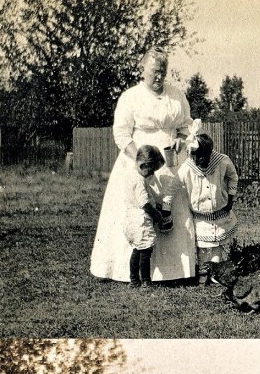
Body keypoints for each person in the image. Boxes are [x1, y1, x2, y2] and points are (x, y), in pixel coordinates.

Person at [90, 47, 196, 283]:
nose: (159, 77)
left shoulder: (177, 95)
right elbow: (121, 133)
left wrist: (180, 139)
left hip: (170, 162)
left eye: (163, 72)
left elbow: (185, 126)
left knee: (172, 207)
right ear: (143, 70)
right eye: (155, 72)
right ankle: (127, 271)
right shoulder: (131, 97)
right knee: (138, 210)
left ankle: (175, 272)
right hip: (138, 163)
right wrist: (138, 159)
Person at [178, 126, 239, 285]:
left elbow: (233, 177)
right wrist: (165, 204)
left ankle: (216, 273)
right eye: (198, 157)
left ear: (210, 152)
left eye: (205, 156)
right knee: (203, 246)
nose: (202, 160)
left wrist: (231, 198)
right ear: (192, 155)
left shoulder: (222, 161)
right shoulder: (187, 168)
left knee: (218, 244)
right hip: (201, 216)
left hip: (220, 211)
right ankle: (203, 273)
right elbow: (174, 185)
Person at [123, 144, 165, 288]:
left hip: (131, 218)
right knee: (146, 250)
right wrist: (157, 214)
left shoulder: (130, 175)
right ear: (144, 165)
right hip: (141, 219)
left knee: (137, 250)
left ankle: (134, 280)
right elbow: (144, 203)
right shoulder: (139, 180)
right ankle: (146, 280)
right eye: (151, 170)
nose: (152, 174)